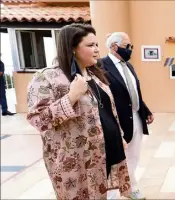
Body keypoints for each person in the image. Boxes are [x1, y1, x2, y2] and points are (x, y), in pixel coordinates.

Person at [26, 24, 131, 199]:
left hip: (102, 155)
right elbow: (39, 120)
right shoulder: (47, 77)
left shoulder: (95, 75)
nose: (97, 50)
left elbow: (106, 112)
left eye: (97, 44)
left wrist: (118, 136)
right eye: (90, 45)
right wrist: (71, 96)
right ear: (72, 49)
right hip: (75, 162)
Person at [101, 32, 154, 200]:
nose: (130, 50)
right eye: (127, 46)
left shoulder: (128, 65)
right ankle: (113, 194)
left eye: (131, 46)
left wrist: (145, 110)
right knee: (117, 159)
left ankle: (130, 187)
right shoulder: (101, 65)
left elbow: (134, 92)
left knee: (134, 155)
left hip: (135, 117)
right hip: (117, 120)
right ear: (114, 47)